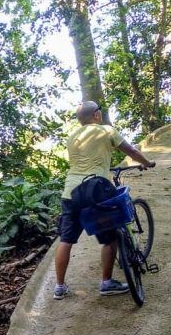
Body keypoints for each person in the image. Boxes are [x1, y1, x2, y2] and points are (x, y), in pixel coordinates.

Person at [53, 101, 156, 299]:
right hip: (95, 192)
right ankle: (106, 283)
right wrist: (147, 162)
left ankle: (59, 287)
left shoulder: (72, 137)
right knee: (110, 237)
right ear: (97, 115)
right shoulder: (106, 131)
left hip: (71, 192)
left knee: (66, 239)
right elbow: (131, 152)